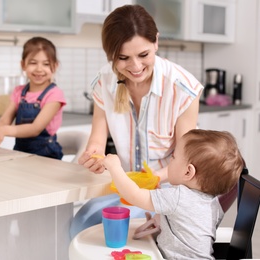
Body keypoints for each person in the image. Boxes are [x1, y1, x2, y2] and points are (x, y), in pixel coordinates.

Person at [70, 4, 204, 238]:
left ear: (156, 42)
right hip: (125, 188)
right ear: (111, 55)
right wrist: (93, 157)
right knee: (80, 225)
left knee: (108, 234)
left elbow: (186, 163)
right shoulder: (104, 81)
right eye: (123, 58)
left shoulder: (183, 88)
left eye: (143, 55)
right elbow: (97, 142)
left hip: (170, 192)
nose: (135, 66)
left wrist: (152, 179)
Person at [103, 129, 244, 259]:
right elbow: (188, 227)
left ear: (188, 172)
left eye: (174, 157)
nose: (170, 160)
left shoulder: (178, 197)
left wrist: (115, 168)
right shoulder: (213, 205)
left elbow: (133, 195)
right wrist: (162, 221)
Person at [0, 37, 66, 159]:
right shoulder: (19, 92)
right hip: (21, 154)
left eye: (46, 64)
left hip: (47, 158)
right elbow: (3, 122)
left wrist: (3, 131)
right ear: (23, 65)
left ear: (55, 66)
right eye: (33, 63)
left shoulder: (54, 95)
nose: (39, 69)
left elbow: (35, 129)